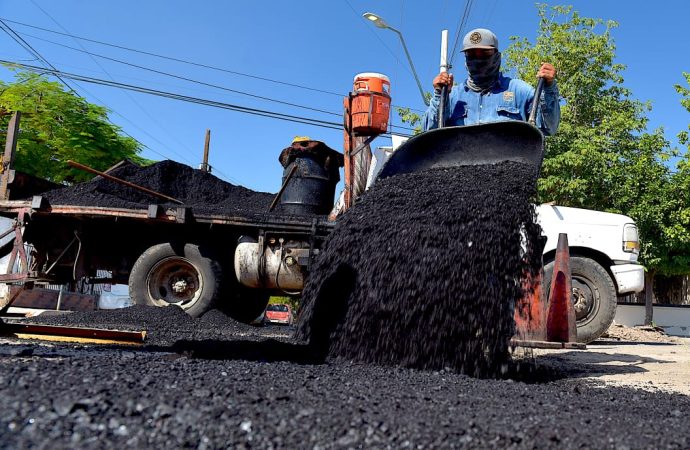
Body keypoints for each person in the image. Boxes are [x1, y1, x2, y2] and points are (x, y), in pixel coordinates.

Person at [423, 28, 560, 135]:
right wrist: (439, 95)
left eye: (484, 53)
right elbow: (430, 133)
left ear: (496, 56)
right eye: (472, 54)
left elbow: (549, 127)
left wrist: (548, 87)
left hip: (510, 169)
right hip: (460, 168)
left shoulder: (519, 90)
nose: (478, 59)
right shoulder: (452, 97)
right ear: (465, 59)